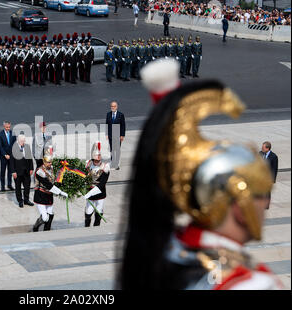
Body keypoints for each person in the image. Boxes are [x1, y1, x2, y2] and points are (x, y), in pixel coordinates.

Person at [120, 58, 282, 290]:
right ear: (239, 205)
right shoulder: (252, 285)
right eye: (261, 193)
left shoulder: (163, 253)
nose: (266, 200)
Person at [32, 146, 68, 232]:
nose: (50, 164)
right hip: (40, 195)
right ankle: (36, 226)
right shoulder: (39, 171)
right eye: (48, 162)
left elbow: (55, 180)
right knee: (45, 218)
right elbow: (48, 185)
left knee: (50, 214)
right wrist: (60, 192)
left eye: (51, 162)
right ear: (44, 162)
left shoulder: (51, 169)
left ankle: (46, 231)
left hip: (48, 195)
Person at [83, 142, 110, 227]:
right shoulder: (88, 164)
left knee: (98, 213)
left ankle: (96, 228)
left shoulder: (105, 167)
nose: (97, 161)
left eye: (98, 159)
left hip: (99, 193)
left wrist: (89, 194)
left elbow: (101, 184)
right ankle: (86, 228)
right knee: (88, 213)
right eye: (95, 160)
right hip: (89, 192)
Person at [10, 135, 34, 208]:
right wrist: (13, 171)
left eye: (24, 141)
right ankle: (20, 201)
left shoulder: (27, 146)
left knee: (27, 186)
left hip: (26, 171)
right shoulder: (14, 148)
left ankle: (26, 200)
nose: (24, 142)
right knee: (18, 187)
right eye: (22, 141)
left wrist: (31, 168)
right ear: (19, 141)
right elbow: (11, 161)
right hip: (17, 172)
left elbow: (30, 158)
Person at [106, 101, 126, 169]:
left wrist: (122, 135)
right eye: (112, 106)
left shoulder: (121, 115)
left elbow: (123, 125)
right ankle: (112, 162)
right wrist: (107, 134)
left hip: (118, 135)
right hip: (111, 135)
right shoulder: (108, 114)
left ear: (116, 107)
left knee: (117, 150)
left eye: (114, 106)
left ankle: (116, 164)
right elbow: (107, 125)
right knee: (112, 149)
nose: (113, 107)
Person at [0, 121, 16, 192]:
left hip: (11, 156)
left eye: (9, 127)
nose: (8, 128)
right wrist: (5, 155)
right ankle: (2, 185)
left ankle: (9, 184)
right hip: (3, 156)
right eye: (7, 127)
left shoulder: (12, 134)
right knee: (3, 171)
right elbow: (0, 146)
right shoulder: (0, 134)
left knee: (10, 171)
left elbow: (14, 144)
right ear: (4, 126)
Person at [260, 141, 278, 210]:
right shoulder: (260, 153)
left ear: (267, 148)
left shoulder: (274, 156)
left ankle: (266, 205)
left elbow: (274, 169)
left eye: (263, 147)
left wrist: (273, 180)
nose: (261, 148)